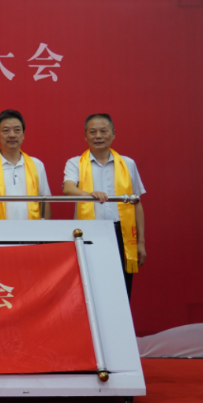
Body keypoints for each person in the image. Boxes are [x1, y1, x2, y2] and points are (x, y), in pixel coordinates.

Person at [63, 113, 146, 297]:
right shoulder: (75, 163)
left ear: (113, 133)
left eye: (103, 131)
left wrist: (140, 242)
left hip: (122, 233)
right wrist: (88, 195)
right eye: (92, 132)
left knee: (122, 288)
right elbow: (68, 188)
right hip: (89, 232)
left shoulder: (127, 164)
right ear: (85, 136)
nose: (98, 136)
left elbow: (136, 203)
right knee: (92, 287)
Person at [0, 109, 52, 221]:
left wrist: (44, 230)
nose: (12, 135)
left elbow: (45, 201)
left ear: (23, 135)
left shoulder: (37, 165)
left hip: (32, 230)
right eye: (6, 131)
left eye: (17, 130)